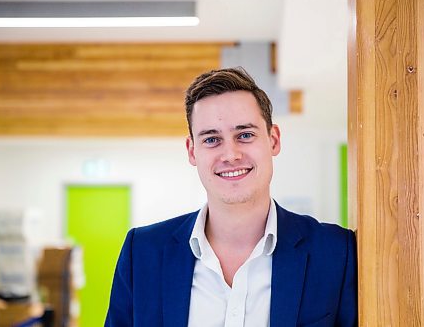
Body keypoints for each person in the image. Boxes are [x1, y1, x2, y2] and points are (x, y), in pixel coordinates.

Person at [105, 67, 357, 326]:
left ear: (273, 140)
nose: (230, 154)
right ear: (192, 151)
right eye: (212, 139)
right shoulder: (143, 252)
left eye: (245, 135)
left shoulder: (335, 251)